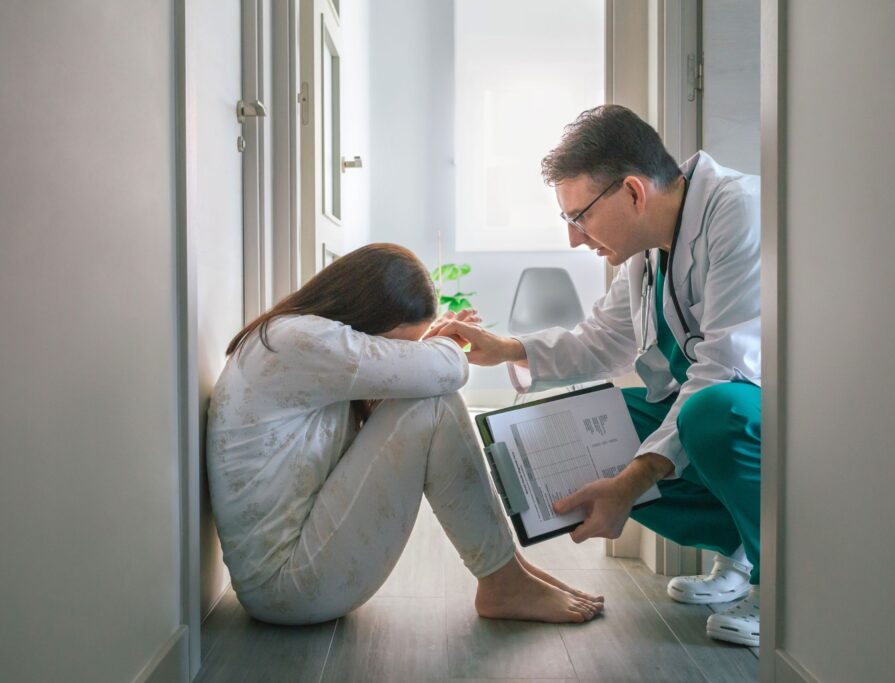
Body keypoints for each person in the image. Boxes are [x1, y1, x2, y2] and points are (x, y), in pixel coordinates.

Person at [431, 105, 762, 646]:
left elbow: (724, 370)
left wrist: (628, 486)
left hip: (765, 413)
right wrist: (505, 347)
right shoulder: (647, 252)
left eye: (578, 216)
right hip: (715, 413)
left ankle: (782, 587)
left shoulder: (738, 213)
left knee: (710, 412)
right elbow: (600, 342)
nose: (575, 239)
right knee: (585, 426)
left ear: (633, 192)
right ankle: (743, 548)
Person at [205, 243, 604, 626]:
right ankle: (502, 579)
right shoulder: (300, 340)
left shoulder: (299, 337)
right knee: (432, 401)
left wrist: (425, 351)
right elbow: (446, 371)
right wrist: (445, 344)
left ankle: (507, 569)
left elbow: (384, 405)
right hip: (286, 587)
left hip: (289, 571)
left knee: (428, 396)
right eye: (402, 344)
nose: (404, 353)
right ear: (374, 319)